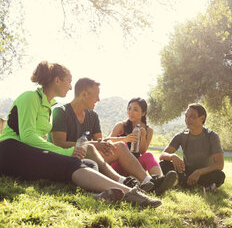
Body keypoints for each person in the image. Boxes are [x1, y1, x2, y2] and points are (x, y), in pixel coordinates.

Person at [0, 61, 161, 208]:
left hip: (29, 154)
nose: (71, 87)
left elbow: (39, 141)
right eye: (69, 82)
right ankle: (130, 193)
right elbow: (28, 137)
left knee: (90, 166)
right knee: (73, 164)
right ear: (57, 80)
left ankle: (97, 195)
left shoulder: (48, 106)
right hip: (10, 149)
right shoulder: (30, 97)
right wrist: (67, 153)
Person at [50, 79, 176, 196]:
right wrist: (97, 144)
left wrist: (106, 145)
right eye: (96, 95)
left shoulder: (93, 116)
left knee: (120, 146)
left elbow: (101, 142)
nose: (99, 99)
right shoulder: (61, 112)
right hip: (69, 157)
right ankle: (124, 182)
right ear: (84, 94)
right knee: (94, 147)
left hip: (91, 156)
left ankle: (150, 182)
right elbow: (59, 143)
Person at [159, 103, 225, 191]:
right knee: (163, 164)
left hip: (204, 173)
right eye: (186, 116)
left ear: (202, 118)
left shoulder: (212, 136)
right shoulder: (181, 135)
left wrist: (198, 172)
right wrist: (172, 156)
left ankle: (182, 183)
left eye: (192, 117)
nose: (187, 120)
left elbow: (220, 164)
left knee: (219, 175)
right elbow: (162, 155)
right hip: (186, 172)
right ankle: (195, 185)